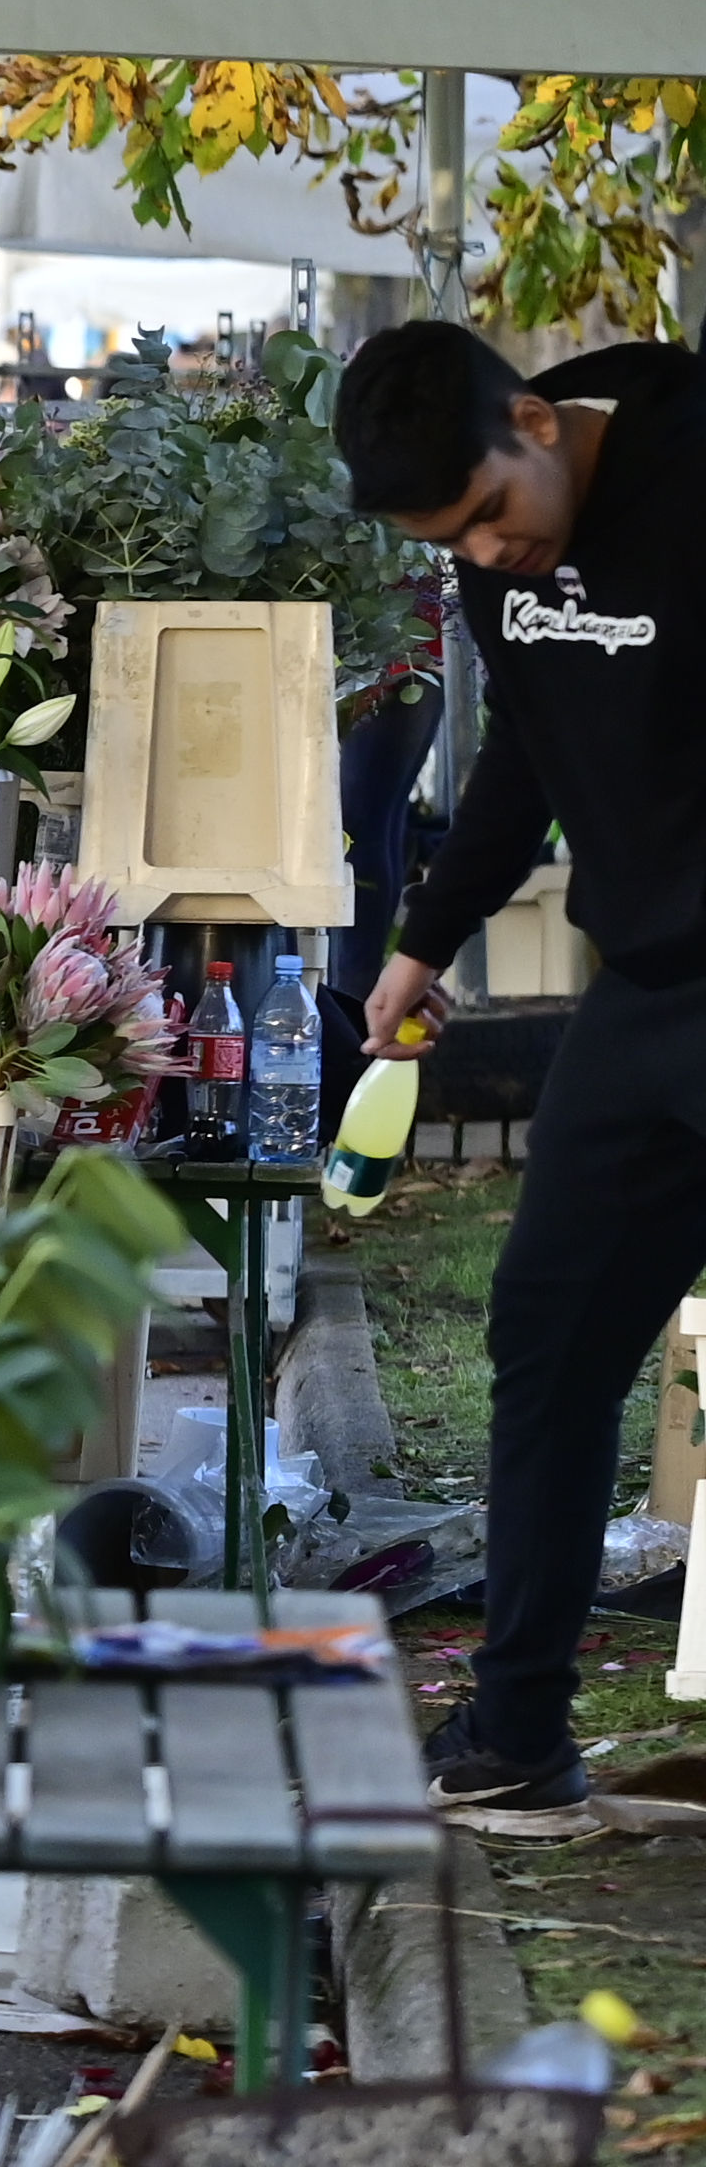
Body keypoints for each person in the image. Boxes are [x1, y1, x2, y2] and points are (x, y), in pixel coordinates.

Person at [335, 315, 706, 1814]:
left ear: (538, 428)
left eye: (489, 517)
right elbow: (527, 755)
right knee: (545, 1332)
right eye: (452, 543)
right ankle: (516, 1731)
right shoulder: (506, 574)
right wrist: (425, 939)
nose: (484, 556)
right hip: (645, 999)